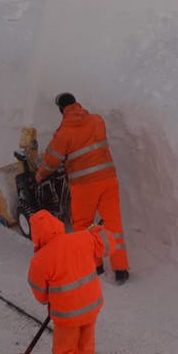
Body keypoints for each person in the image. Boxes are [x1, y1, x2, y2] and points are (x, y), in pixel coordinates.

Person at [39, 93, 130, 283]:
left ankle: (95, 266)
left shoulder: (64, 133)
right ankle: (121, 269)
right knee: (114, 225)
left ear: (61, 110)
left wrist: (40, 175)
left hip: (84, 186)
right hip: (108, 180)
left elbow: (52, 161)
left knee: (84, 225)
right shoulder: (97, 120)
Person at [27, 210, 107, 354]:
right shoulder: (81, 238)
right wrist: (95, 231)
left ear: (36, 234)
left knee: (65, 353)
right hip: (91, 307)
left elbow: (40, 294)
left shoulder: (40, 260)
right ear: (57, 224)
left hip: (66, 316)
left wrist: (50, 299)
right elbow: (102, 247)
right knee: (86, 345)